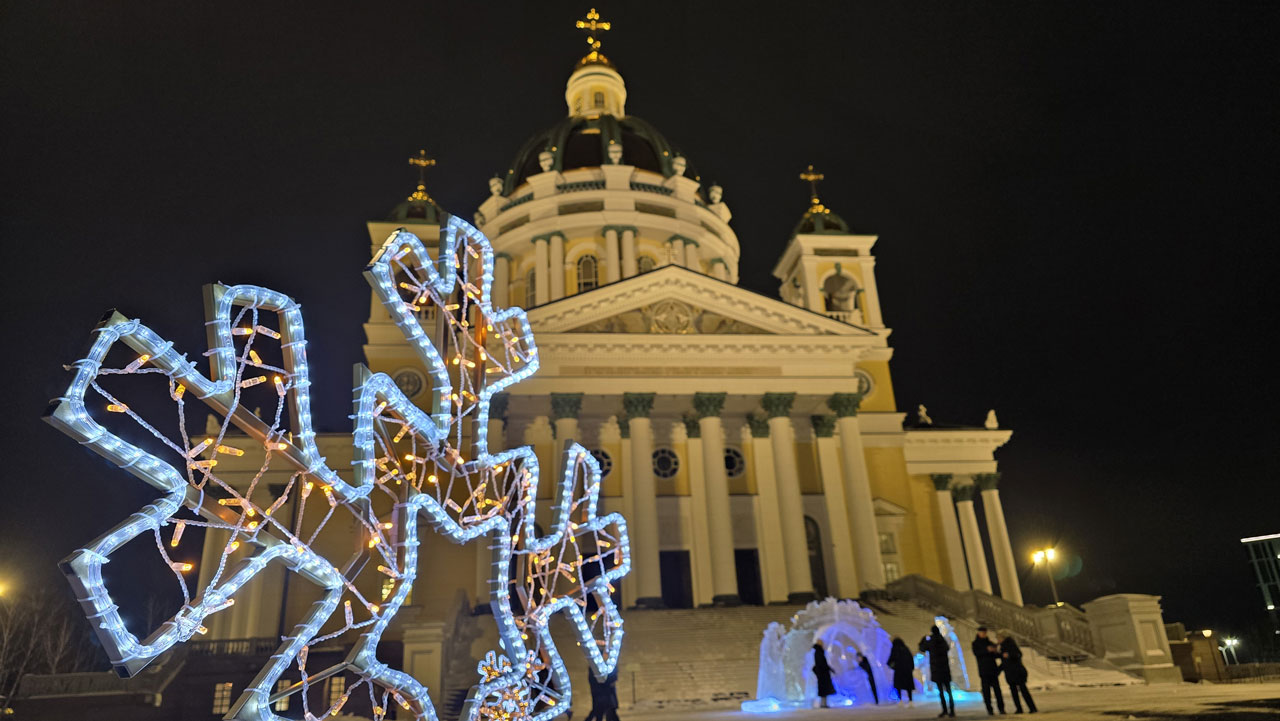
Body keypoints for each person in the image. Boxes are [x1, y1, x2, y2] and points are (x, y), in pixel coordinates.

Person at [997, 631, 1037, 714]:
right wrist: (998, 670)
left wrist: (1009, 655)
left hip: (1017, 672)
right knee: (1016, 691)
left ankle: (1030, 708)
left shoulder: (1010, 644)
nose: (997, 640)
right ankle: (1022, 708)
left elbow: (1018, 654)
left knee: (1022, 690)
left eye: (998, 638)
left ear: (1003, 638)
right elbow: (1004, 662)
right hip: (1011, 673)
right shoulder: (1002, 647)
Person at [919, 626, 954, 718]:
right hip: (945, 669)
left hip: (937, 670)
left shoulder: (931, 642)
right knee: (948, 691)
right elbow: (947, 648)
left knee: (941, 692)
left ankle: (945, 710)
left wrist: (923, 639)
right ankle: (952, 710)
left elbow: (922, 648)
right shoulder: (942, 641)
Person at [973, 626, 1006, 715]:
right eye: (982, 632)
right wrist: (987, 650)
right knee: (986, 692)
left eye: (984, 632)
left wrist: (996, 651)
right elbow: (977, 653)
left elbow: (996, 655)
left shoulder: (990, 642)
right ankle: (989, 709)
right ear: (978, 633)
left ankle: (1001, 708)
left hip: (993, 670)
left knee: (997, 691)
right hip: (984, 671)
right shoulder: (975, 644)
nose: (983, 634)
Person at [886, 636, 916, 706]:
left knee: (898, 686)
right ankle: (911, 701)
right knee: (908, 687)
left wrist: (893, 667)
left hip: (899, 671)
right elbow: (911, 659)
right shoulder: (906, 649)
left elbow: (890, 661)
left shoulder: (895, 649)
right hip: (907, 670)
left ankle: (900, 701)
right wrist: (911, 668)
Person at [812, 641, 836, 708]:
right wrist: (829, 669)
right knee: (824, 689)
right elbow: (822, 664)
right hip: (823, 674)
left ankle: (823, 704)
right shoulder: (819, 652)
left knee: (824, 690)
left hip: (822, 673)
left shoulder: (818, 652)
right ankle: (823, 704)